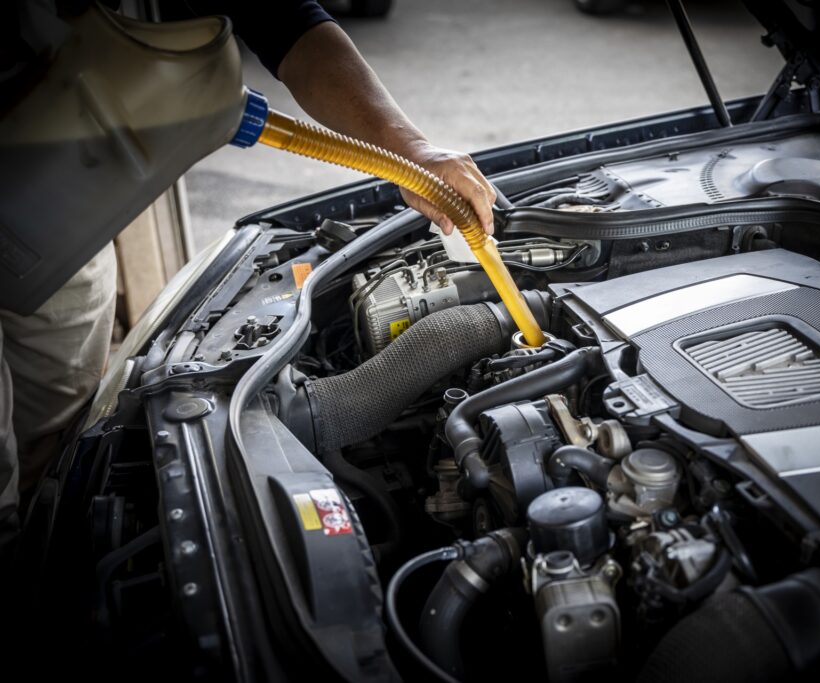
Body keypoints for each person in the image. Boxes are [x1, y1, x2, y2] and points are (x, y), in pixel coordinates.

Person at [0, 0, 496, 563]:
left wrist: (411, 150)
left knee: (58, 402)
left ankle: (41, 534)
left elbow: (289, 24)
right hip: (36, 151)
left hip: (53, 199)